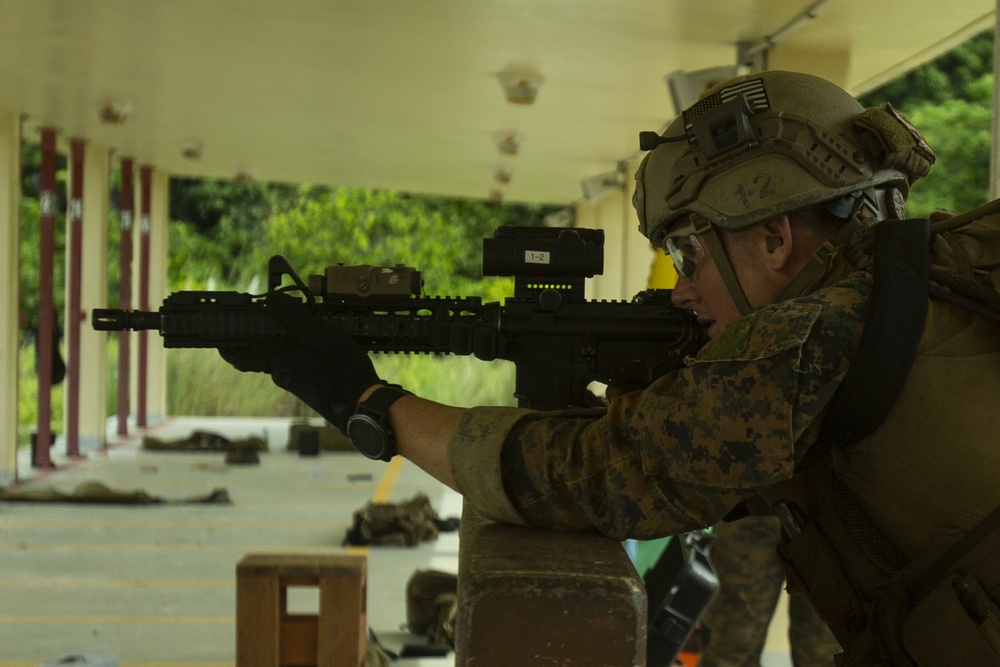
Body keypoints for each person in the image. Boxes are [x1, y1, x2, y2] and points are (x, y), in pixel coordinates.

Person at [221, 70, 1000, 666]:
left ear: (773, 239)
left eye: (692, 251)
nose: (683, 287)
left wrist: (370, 401)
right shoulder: (915, 283)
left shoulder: (819, 332)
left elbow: (599, 476)